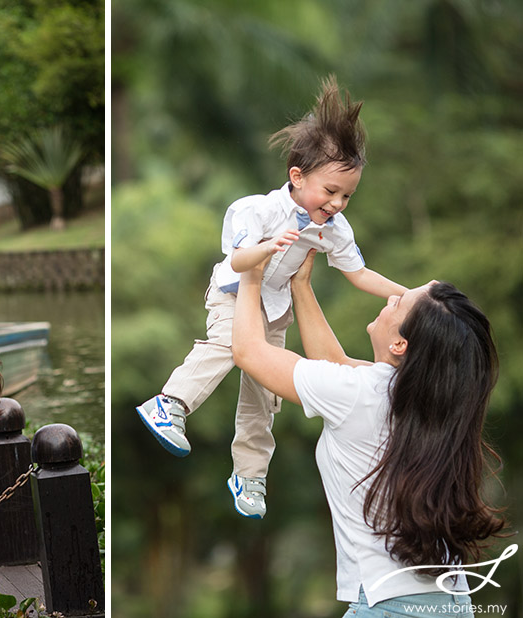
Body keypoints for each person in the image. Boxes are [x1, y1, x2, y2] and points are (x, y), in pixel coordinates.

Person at [136, 75, 407, 519]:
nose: (338, 203)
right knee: (227, 347)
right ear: (297, 177)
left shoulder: (334, 228)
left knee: (266, 390)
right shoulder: (256, 210)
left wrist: (410, 293)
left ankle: (250, 474)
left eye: (347, 196)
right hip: (234, 293)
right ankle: (169, 403)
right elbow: (240, 262)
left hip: (276, 309)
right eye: (330, 191)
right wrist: (270, 246)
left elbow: (358, 275)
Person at [231, 249, 505, 616]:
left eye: (401, 302)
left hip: (388, 605)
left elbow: (248, 351)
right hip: (453, 603)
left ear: (399, 344)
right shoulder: (428, 403)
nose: (391, 297)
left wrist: (250, 272)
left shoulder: (361, 394)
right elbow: (335, 366)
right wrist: (301, 285)